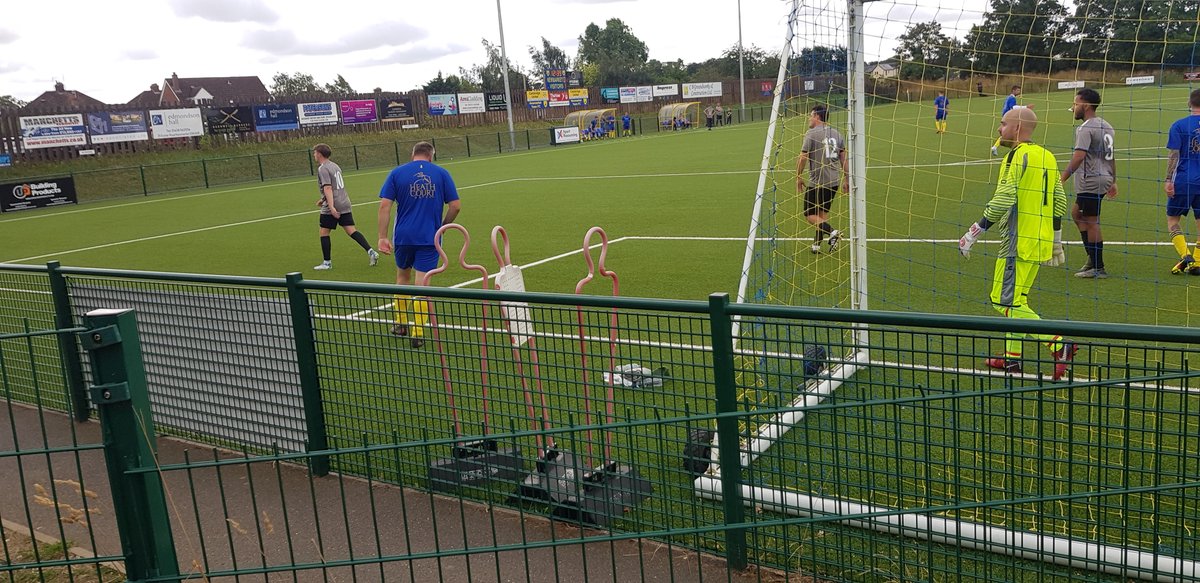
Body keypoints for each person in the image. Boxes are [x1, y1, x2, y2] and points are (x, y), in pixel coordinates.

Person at [958, 106, 1077, 380]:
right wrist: (1056, 241)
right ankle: (1012, 361)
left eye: (1002, 124)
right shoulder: (1047, 156)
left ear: (1017, 128)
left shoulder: (1015, 157)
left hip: (1016, 241)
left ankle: (1060, 345)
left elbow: (1005, 197)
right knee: (1017, 300)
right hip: (1040, 240)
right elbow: (1059, 200)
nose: (999, 129)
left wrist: (973, 232)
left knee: (1002, 301)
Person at [376, 141, 461, 348]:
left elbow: (384, 206)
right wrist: (443, 226)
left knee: (402, 277)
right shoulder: (441, 173)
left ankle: (401, 323)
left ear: (412, 154)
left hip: (403, 236)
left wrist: (382, 236)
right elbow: (456, 206)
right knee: (422, 284)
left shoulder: (397, 173)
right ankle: (418, 332)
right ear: (431, 156)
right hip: (429, 238)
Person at [1061, 88, 1117, 279]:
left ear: (1085, 105)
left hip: (1090, 180)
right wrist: (1113, 180)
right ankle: (1092, 259)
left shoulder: (1085, 128)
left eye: (1075, 104)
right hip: (1103, 177)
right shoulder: (1107, 125)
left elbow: (1079, 157)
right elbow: (1111, 156)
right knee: (1077, 213)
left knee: (1091, 221)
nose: (1074, 107)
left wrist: (1062, 177)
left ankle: (1098, 267)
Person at [311, 143, 378, 271]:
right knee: (351, 230)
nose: (314, 155)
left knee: (324, 232)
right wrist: (322, 199)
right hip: (344, 201)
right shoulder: (335, 165)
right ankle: (371, 252)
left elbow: (328, 187)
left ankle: (327, 263)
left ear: (319, 154)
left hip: (334, 203)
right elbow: (335, 186)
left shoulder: (323, 168)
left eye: (315, 152)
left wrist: (330, 206)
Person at [795, 104, 849, 254]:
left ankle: (833, 232)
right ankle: (816, 246)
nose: (809, 118)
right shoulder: (837, 134)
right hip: (834, 181)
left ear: (817, 116)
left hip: (817, 181)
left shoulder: (811, 133)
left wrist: (798, 176)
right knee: (822, 214)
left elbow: (803, 157)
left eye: (811, 115)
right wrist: (847, 180)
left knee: (809, 214)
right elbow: (843, 157)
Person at [1165, 88, 1200, 275]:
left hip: (1184, 180)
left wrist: (1168, 180)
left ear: (1189, 103)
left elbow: (1174, 155)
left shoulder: (1179, 125)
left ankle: (1185, 254)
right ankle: (1198, 262)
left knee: (1173, 219)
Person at [991, 85, 1025, 156]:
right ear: (1013, 91)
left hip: (1005, 117)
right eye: (1018, 90)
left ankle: (995, 147)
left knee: (1010, 133)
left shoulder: (1008, 98)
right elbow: (1014, 107)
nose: (1019, 92)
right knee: (1015, 132)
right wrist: (1025, 107)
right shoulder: (1012, 98)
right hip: (1008, 118)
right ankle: (1017, 148)